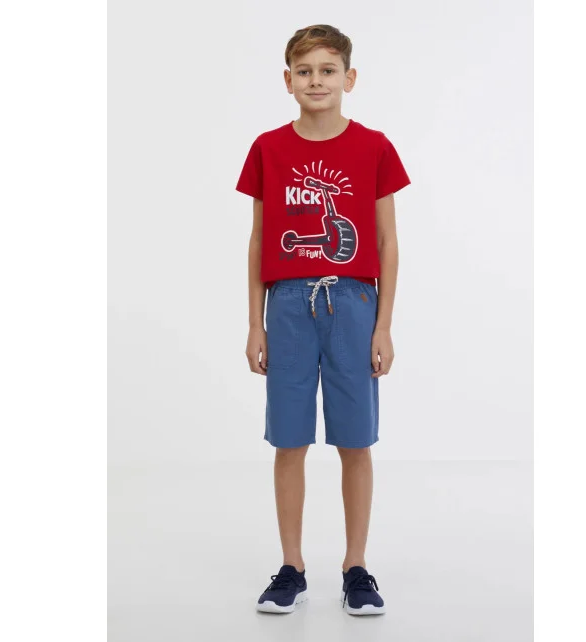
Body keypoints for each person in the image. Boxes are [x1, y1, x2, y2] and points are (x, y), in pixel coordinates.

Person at [235, 24, 411, 616]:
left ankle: (355, 567)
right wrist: (255, 323)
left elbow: (386, 242)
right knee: (289, 439)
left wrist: (383, 324)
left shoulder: (374, 147)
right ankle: (292, 567)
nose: (316, 81)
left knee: (355, 440)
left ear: (349, 79)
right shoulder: (268, 148)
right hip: (287, 306)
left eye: (327, 70)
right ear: (288, 81)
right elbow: (258, 240)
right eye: (305, 71)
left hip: (354, 304)